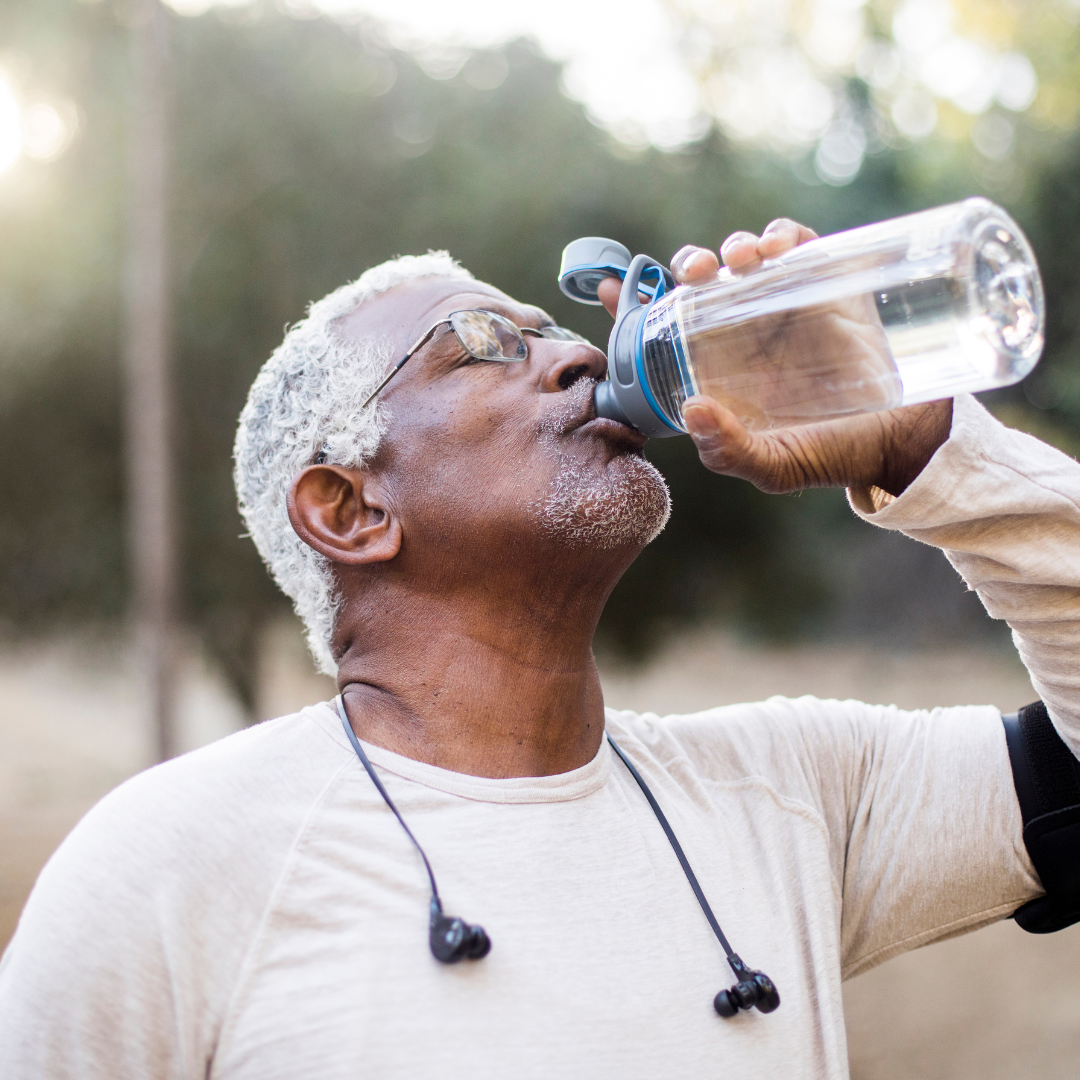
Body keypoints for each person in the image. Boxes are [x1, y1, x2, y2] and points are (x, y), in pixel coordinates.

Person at [1, 219, 1077, 1079]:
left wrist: (927, 450)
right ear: (349, 507)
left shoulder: (796, 793)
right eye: (483, 345)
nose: (573, 355)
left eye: (551, 332)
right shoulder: (167, 867)